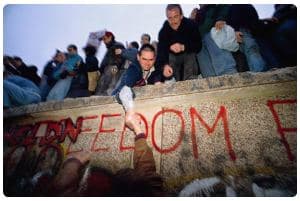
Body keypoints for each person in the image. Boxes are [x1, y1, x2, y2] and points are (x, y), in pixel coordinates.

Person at [156, 4, 202, 82]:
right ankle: (172, 81)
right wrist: (164, 65)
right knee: (169, 57)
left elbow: (198, 45)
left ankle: (190, 81)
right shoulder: (163, 32)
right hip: (173, 60)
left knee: (190, 54)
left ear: (181, 16)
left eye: (176, 16)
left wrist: (183, 47)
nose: (173, 21)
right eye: (170, 18)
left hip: (190, 59)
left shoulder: (191, 25)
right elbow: (161, 52)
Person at [96, 31, 126, 96]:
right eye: (103, 40)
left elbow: (120, 58)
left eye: (105, 39)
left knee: (111, 84)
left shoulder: (117, 45)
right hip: (106, 70)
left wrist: (115, 68)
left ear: (110, 37)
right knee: (102, 86)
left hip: (112, 68)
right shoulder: (110, 48)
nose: (103, 41)